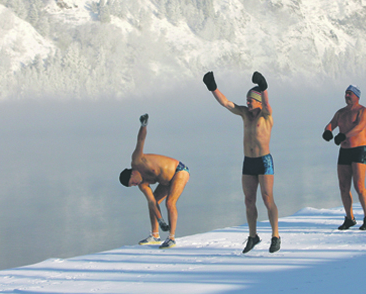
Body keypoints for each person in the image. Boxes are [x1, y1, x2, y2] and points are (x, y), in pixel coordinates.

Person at [203, 71, 281, 254]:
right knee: (248, 200)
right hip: (248, 162)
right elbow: (226, 103)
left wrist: (264, 87)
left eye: (251, 100)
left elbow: (267, 104)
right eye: (247, 99)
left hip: (264, 161)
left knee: (267, 198)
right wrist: (213, 87)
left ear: (259, 101)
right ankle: (253, 236)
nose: (247, 103)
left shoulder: (266, 115)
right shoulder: (245, 114)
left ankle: (275, 235)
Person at [119, 114, 190, 249]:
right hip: (165, 182)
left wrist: (143, 125)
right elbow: (152, 202)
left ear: (133, 173)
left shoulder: (137, 160)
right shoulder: (142, 185)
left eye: (132, 182)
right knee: (154, 203)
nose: (135, 185)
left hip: (179, 172)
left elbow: (140, 140)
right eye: (132, 186)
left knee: (170, 203)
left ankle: (171, 238)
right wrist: (161, 220)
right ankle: (155, 235)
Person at [322, 85, 366, 231]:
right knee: (343, 186)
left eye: (350, 94)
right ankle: (349, 218)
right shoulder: (341, 112)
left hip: (359, 150)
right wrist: (327, 131)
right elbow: (331, 124)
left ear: (357, 96)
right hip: (344, 151)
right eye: (345, 93)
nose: (347, 96)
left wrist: (344, 135)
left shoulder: (363, 111)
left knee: (359, 185)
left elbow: (359, 127)